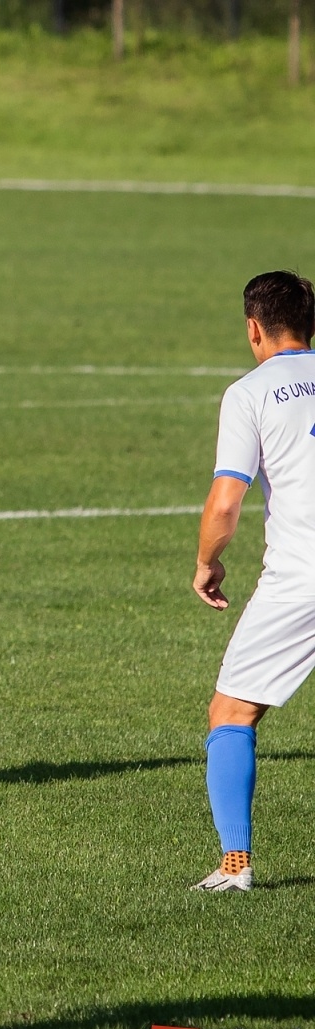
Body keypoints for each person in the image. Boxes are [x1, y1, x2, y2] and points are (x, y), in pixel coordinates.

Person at [190, 270, 315, 891]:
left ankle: (234, 866)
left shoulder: (250, 392)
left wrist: (207, 561)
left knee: (231, 712)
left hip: (301, 578)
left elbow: (225, 503)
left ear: (253, 327)